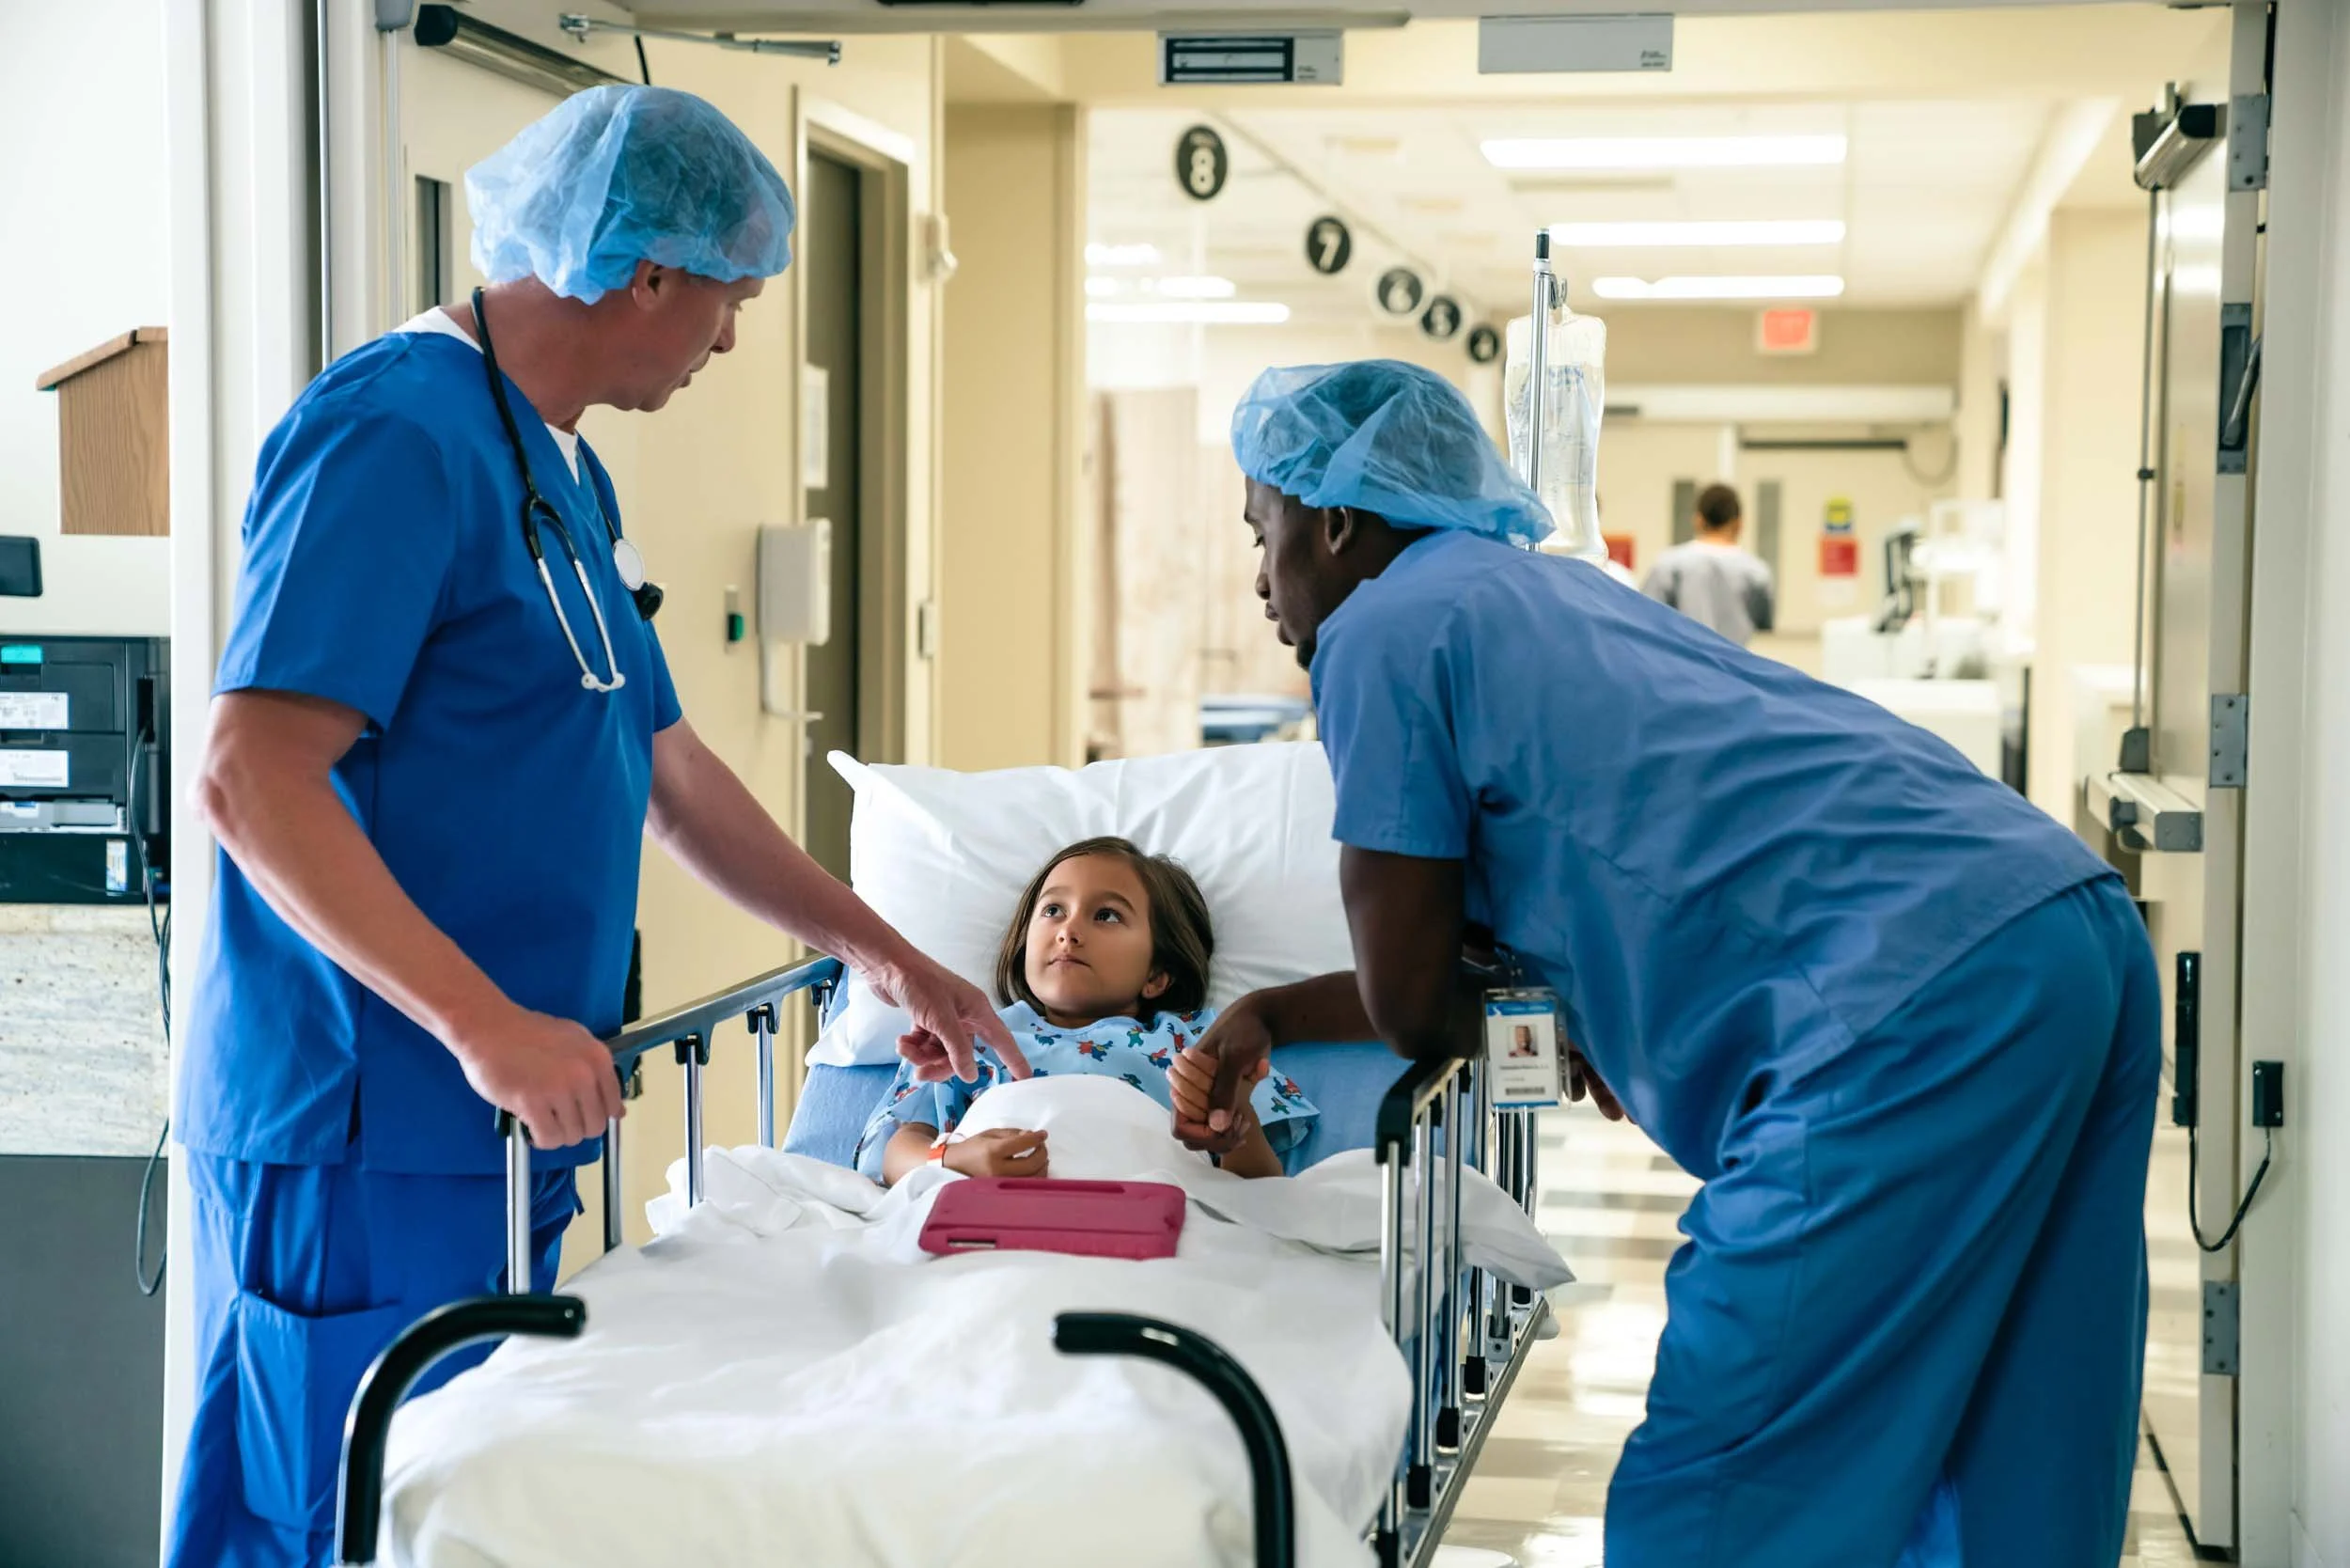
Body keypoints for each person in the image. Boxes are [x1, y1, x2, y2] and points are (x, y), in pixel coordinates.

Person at [170, 86, 1018, 1568]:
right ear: (645, 274)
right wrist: (484, 1023)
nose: (730, 341)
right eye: (730, 301)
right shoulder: (391, 432)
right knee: (342, 1517)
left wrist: (885, 957)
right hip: (367, 1114)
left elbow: (671, 771)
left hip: (504, 1118)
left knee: (465, 1508)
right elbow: (253, 776)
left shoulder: (563, 466)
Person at [1185, 358, 2158, 1567]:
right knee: (2021, 1441)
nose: (1262, 583)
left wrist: (1502, 1013)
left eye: (1260, 533)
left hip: (1902, 999)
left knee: (1725, 1484)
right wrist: (1288, 1010)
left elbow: (1412, 1000)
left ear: (1333, 520)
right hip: (2065, 923)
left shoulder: (1381, 630)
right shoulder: (1541, 594)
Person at [858, 837, 1318, 1184]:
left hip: (1152, 1220)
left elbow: (1258, 1194)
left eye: (1107, 916)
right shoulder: (969, 1036)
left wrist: (1235, 1114)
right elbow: (894, 1156)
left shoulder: (1195, 1045)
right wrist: (956, 1159)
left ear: (1157, 974)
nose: (1069, 930)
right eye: (1053, 910)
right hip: (992, 1222)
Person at [1642, 481, 1776, 647]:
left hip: (1683, 665)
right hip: (1733, 666)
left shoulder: (1668, 565)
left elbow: (1647, 617)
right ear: (1739, 523)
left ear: (1698, 520)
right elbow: (1764, 627)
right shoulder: (1757, 572)